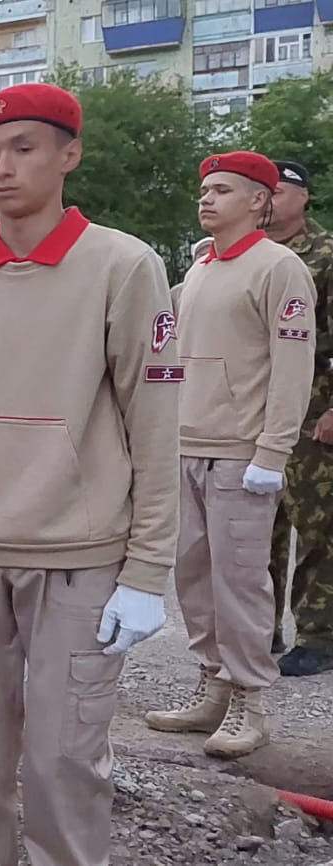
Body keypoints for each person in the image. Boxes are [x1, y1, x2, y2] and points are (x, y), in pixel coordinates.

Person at [0, 83, 177, 866]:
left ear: (69, 155)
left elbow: (155, 424)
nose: (2, 168)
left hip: (76, 558)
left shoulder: (123, 266)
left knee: (64, 764)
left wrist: (146, 572)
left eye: (23, 148)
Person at [146, 151, 316, 757]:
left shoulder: (279, 268)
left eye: (222, 190)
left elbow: (293, 367)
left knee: (240, 580)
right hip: (188, 442)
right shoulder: (200, 267)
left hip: (241, 451)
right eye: (205, 189)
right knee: (193, 577)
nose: (207, 198)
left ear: (258, 201)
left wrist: (272, 451)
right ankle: (212, 686)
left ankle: (250, 699)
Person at [264, 160, 333, 676]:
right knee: (255, 525)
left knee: (316, 524)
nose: (268, 200)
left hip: (314, 399)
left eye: (279, 191)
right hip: (255, 400)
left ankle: (318, 635)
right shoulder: (245, 253)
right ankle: (257, 628)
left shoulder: (326, 253)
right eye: (262, 191)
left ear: (303, 196)